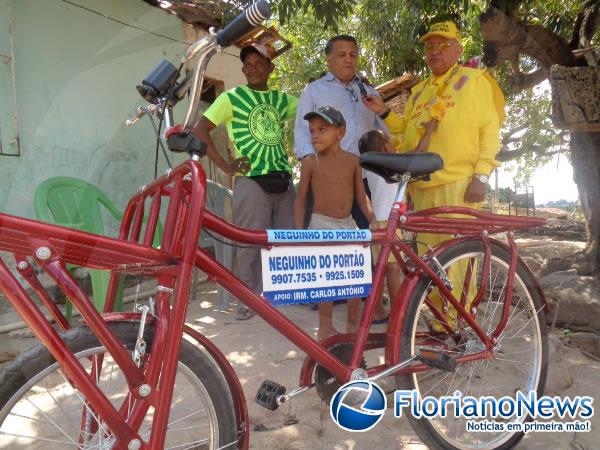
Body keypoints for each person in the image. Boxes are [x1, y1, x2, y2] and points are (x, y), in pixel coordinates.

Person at [363, 20, 505, 328]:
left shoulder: (475, 80)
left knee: (457, 262)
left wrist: (481, 176)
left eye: (443, 45)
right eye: (430, 46)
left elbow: (490, 130)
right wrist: (383, 112)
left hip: (460, 185)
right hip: (423, 188)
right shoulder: (419, 92)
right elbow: (407, 135)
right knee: (432, 263)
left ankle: (459, 326)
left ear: (458, 48)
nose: (435, 51)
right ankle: (443, 326)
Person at [193, 43, 298, 320]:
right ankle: (248, 300)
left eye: (259, 63)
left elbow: (308, 110)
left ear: (270, 67)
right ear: (243, 70)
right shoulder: (231, 98)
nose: (252, 68)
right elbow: (201, 129)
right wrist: (225, 165)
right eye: (247, 64)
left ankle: (279, 295)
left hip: (283, 180)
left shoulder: (283, 101)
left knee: (284, 242)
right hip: (251, 180)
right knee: (249, 243)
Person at [294, 106, 377, 340]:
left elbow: (362, 196)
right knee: (326, 282)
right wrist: (300, 234)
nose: (315, 135)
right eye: (312, 131)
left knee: (355, 279)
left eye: (322, 129)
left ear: (340, 132)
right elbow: (300, 201)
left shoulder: (353, 161)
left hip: (348, 224)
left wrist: (371, 219)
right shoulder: (310, 163)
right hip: (321, 225)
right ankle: (325, 328)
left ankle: (353, 328)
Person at [294, 35, 388, 229]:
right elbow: (303, 133)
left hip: (366, 177)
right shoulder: (313, 90)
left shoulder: (370, 92)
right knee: (330, 241)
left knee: (368, 238)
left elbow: (386, 130)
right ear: (328, 59)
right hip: (328, 181)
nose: (348, 59)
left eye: (353, 55)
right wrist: (316, 169)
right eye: (342, 55)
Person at [357, 130, 402, 322]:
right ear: (385, 147)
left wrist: (371, 216)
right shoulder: (393, 162)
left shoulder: (368, 167)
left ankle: (376, 311)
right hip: (391, 222)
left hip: (376, 223)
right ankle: (399, 315)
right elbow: (418, 152)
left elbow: (364, 194)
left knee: (380, 269)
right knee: (393, 269)